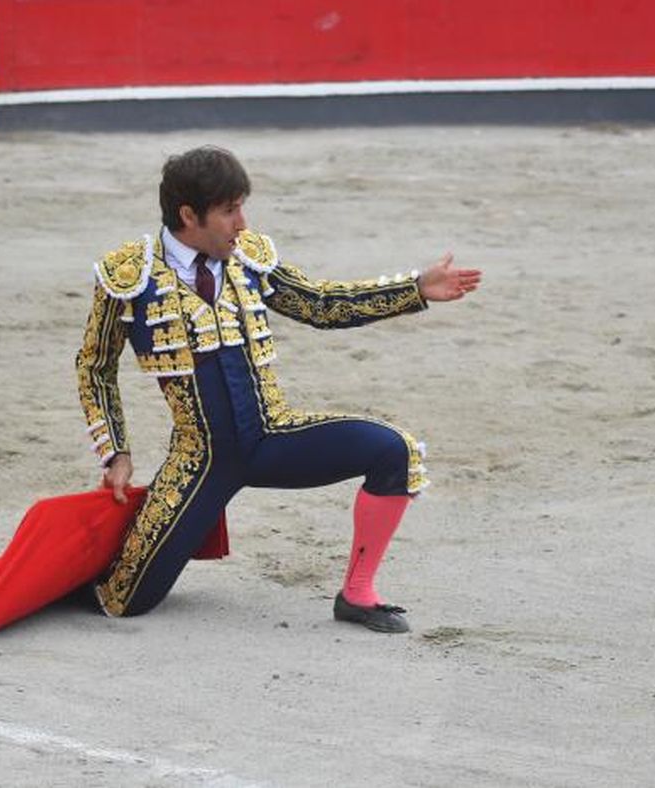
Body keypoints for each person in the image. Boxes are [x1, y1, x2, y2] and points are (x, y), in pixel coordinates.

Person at [76, 147, 480, 631]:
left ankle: (357, 594)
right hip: (199, 461)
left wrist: (414, 288)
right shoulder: (129, 277)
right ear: (189, 215)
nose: (242, 223)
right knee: (124, 599)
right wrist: (115, 451)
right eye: (229, 211)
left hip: (274, 437)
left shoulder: (248, 257)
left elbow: (320, 304)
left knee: (397, 452)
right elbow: (95, 367)